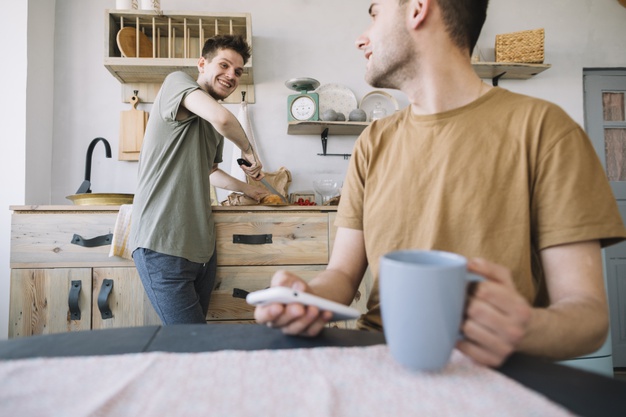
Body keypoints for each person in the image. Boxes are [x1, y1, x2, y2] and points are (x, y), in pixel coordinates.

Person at [254, 0, 626, 367]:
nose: (361, 39)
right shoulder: (371, 141)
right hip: (379, 360)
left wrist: (524, 327)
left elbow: (588, 317)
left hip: (489, 373)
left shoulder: (546, 130)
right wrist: (305, 296)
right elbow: (342, 275)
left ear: (418, 9)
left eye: (375, 14)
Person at [130, 34, 267, 325]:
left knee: (194, 343)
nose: (231, 75)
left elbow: (209, 170)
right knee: (192, 345)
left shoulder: (212, 122)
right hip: (162, 244)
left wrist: (250, 190)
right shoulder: (177, 82)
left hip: (201, 250)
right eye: (224, 65)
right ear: (202, 64)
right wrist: (248, 149)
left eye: (238, 71)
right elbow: (224, 119)